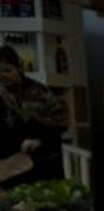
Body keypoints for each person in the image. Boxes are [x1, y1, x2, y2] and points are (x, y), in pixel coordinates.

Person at [0, 45, 67, 185]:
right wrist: (17, 143)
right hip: (9, 167)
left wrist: (40, 140)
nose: (3, 76)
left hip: (44, 163)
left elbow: (61, 122)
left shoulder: (40, 91)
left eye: (7, 70)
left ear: (18, 68)